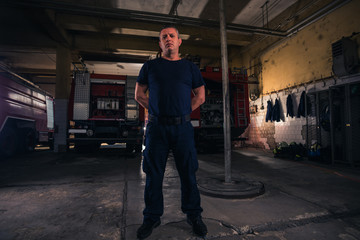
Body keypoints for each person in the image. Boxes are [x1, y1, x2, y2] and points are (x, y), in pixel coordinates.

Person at [135, 25, 207, 239]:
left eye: (172, 36)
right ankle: (151, 217)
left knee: (188, 172)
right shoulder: (150, 66)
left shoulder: (190, 68)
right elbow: (139, 94)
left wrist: (183, 111)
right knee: (153, 174)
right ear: (160, 43)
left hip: (182, 128)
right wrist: (157, 109)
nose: (168, 39)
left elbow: (200, 96)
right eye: (164, 37)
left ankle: (194, 215)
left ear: (179, 41)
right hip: (157, 128)